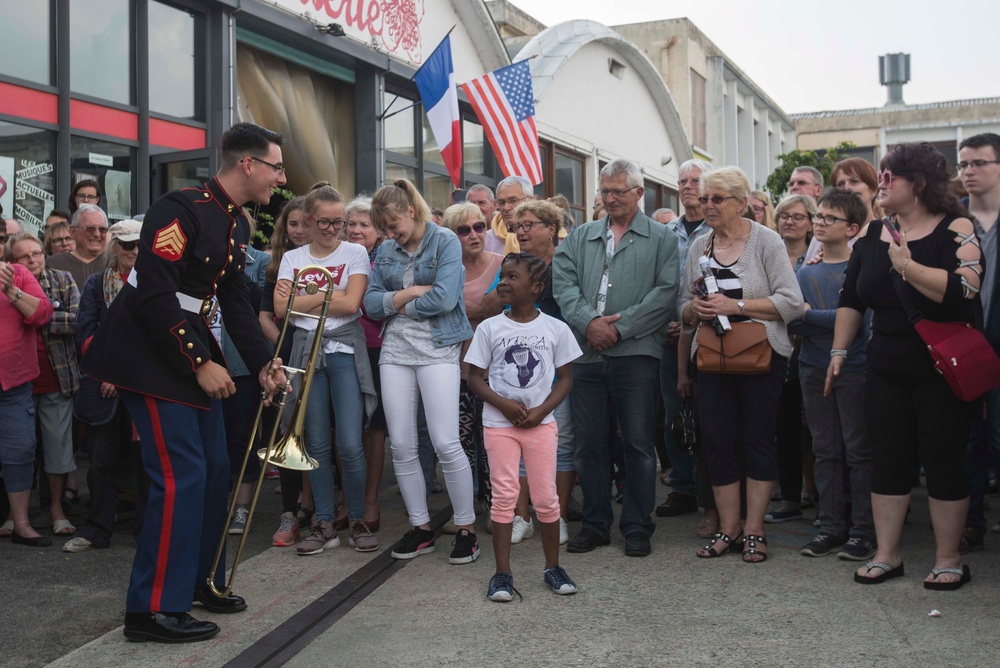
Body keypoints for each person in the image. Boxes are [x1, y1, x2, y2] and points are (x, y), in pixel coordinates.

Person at [80, 122, 288, 642]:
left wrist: (264, 361)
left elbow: (236, 299)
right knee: (182, 476)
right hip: (152, 353)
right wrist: (198, 362)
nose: (280, 179)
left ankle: (198, 581)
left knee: (216, 469)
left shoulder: (237, 222)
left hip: (189, 341)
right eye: (276, 167)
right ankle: (151, 610)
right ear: (248, 164)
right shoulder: (180, 208)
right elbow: (153, 295)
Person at [831, 141, 981, 589]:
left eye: (891, 175)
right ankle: (887, 554)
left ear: (918, 183)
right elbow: (851, 298)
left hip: (941, 367)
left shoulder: (957, 225)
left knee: (944, 461)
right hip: (885, 366)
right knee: (887, 461)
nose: (882, 181)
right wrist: (838, 353)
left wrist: (908, 267)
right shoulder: (875, 233)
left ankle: (948, 558)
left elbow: (964, 292)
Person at [552, 158, 680, 558]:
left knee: (639, 444)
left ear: (638, 193)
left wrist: (619, 329)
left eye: (617, 192)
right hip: (587, 356)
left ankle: (638, 527)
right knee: (590, 444)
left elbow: (665, 292)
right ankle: (595, 524)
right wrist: (589, 322)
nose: (609, 199)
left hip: (637, 355)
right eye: (604, 192)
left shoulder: (662, 238)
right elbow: (563, 282)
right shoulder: (581, 236)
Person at [679, 166, 803, 563]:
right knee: (717, 442)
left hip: (760, 355)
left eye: (716, 199)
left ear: (740, 202)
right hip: (712, 357)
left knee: (758, 440)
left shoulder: (766, 241)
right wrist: (694, 310)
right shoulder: (700, 245)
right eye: (704, 199)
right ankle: (728, 528)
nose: (707, 206)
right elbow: (681, 306)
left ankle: (754, 529)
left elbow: (792, 302)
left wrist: (739, 306)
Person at [363, 178, 479, 565]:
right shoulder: (387, 249)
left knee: (446, 441)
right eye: (383, 229)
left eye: (392, 224)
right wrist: (407, 294)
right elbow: (369, 302)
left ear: (411, 211)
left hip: (438, 346)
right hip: (395, 350)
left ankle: (466, 527)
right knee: (401, 444)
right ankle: (421, 527)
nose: (388, 233)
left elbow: (446, 299)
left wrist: (397, 303)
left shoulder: (444, 240)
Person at [466, 252, 582, 601]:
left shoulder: (555, 328)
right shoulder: (490, 328)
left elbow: (565, 379)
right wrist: (502, 404)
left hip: (540, 425)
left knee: (546, 498)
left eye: (512, 277)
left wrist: (542, 410)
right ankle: (502, 573)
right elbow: (474, 378)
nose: (503, 282)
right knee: (503, 497)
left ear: (536, 287)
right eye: (502, 275)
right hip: (499, 426)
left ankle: (553, 567)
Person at [275, 183, 377, 556]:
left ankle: (355, 519)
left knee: (350, 443)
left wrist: (307, 300)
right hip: (306, 354)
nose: (333, 229)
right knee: (314, 442)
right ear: (310, 220)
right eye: (325, 222)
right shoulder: (294, 257)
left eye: (340, 222)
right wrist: (327, 293)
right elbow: (282, 309)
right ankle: (322, 520)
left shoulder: (356, 252)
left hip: (344, 351)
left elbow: (353, 304)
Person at [789, 189, 875, 560]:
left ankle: (863, 529)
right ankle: (829, 525)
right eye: (818, 217)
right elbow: (789, 317)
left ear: (853, 228)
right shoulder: (805, 271)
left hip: (855, 368)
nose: (820, 223)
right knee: (824, 449)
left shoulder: (861, 267)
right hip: (811, 365)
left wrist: (811, 315)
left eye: (829, 218)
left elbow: (856, 320)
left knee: (857, 450)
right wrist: (815, 317)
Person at [62, 220, 144, 554]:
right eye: (126, 245)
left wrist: (123, 373)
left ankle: (147, 532)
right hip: (104, 387)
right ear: (114, 248)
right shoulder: (97, 285)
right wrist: (113, 371)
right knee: (99, 463)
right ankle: (97, 529)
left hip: (142, 386)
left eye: (139, 244)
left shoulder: (154, 283)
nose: (134, 251)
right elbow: (85, 337)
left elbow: (154, 339)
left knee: (146, 464)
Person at [511, 199, 576, 543]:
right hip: (521, 369)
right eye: (517, 227)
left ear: (552, 229)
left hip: (560, 368)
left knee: (561, 442)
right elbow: (498, 304)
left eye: (529, 225)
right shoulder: (514, 265)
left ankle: (556, 517)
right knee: (521, 442)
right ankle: (523, 516)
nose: (521, 232)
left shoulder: (569, 262)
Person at [8, 232, 79, 538]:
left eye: (38, 253)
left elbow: (77, 319)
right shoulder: (9, 283)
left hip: (56, 380)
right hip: (16, 384)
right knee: (19, 452)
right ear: (14, 262)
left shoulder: (63, 279)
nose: (34, 259)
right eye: (26, 256)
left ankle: (56, 510)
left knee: (57, 451)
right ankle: (16, 514)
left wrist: (38, 315)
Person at [657, 160, 712, 524]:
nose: (688, 186)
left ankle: (711, 488)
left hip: (709, 333)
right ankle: (682, 486)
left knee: (710, 414)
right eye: (683, 181)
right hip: (668, 335)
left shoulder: (720, 226)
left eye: (695, 181)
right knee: (674, 412)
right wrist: (667, 322)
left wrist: (691, 317)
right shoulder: (665, 231)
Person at [443, 202, 503, 528]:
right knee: (461, 440)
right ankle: (466, 507)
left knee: (491, 441)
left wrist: (463, 308)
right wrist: (477, 308)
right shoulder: (445, 268)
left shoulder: (501, 264)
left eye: (479, 226)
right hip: (455, 366)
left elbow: (501, 309)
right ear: (453, 236)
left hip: (493, 369)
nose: (474, 235)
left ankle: (497, 506)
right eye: (464, 230)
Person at [260, 196, 315, 547]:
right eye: (291, 224)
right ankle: (289, 512)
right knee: (287, 429)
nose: (297, 230)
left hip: (320, 345)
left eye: (303, 224)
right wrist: (286, 343)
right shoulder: (277, 267)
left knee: (317, 431)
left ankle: (316, 505)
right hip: (289, 351)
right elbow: (266, 316)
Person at [766, 194, 819, 526]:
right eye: (784, 215)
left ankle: (818, 493)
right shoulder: (769, 254)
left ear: (811, 222)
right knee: (783, 426)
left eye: (798, 217)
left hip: (813, 346)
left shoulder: (819, 256)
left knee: (814, 430)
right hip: (777, 345)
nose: (790, 221)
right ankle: (789, 497)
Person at [959, 133, 1000, 552]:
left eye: (979, 163)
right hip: (964, 348)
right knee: (967, 439)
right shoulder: (956, 221)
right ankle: (971, 522)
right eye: (963, 164)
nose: (968, 171)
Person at [0, 253, 54, 546]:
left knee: (20, 451)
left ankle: (21, 523)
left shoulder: (17, 273)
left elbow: (43, 314)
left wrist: (11, 291)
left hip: (13, 384)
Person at [345, 196, 387, 534]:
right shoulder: (338, 255)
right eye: (352, 224)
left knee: (374, 427)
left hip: (376, 349)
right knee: (346, 426)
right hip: (342, 347)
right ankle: (350, 498)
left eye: (364, 224)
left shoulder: (385, 259)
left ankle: (370, 500)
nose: (357, 230)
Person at [46, 204, 110, 292]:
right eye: (90, 229)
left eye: (102, 229)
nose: (97, 234)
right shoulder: (53, 265)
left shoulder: (115, 263)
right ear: (72, 231)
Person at [485, 175, 535, 255]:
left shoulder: (551, 235)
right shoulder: (487, 240)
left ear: (531, 201)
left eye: (513, 200)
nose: (506, 208)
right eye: (501, 202)